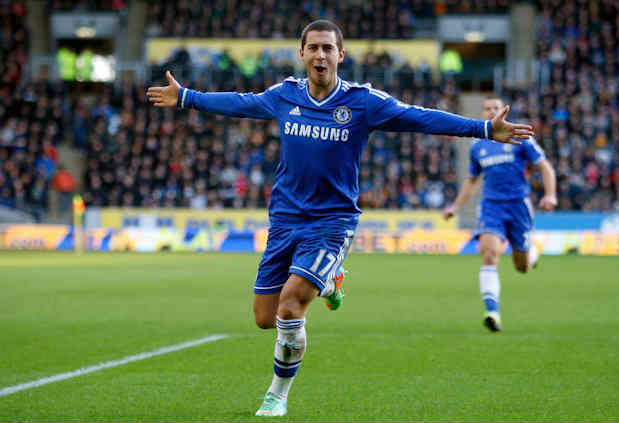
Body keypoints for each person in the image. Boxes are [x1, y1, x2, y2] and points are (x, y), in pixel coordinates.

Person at [147, 20, 534, 417]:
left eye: (328, 49)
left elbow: (420, 117)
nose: (320, 55)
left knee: (290, 307)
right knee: (264, 319)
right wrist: (187, 98)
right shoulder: (285, 96)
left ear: (340, 55)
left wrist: (484, 128)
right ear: (301, 54)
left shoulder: (362, 102)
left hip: (332, 223)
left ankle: (277, 393)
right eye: (313, 48)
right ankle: (330, 280)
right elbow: (240, 103)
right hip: (284, 220)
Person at [443, 97, 557, 333]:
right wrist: (455, 207)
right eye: (487, 108)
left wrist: (550, 194)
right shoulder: (478, 146)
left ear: (503, 111)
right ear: (483, 114)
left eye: (496, 107)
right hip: (491, 206)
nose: (492, 111)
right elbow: (472, 181)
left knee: (522, 266)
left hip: (518, 206)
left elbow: (544, 166)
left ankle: (531, 253)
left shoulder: (519, 137)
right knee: (489, 254)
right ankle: (492, 312)